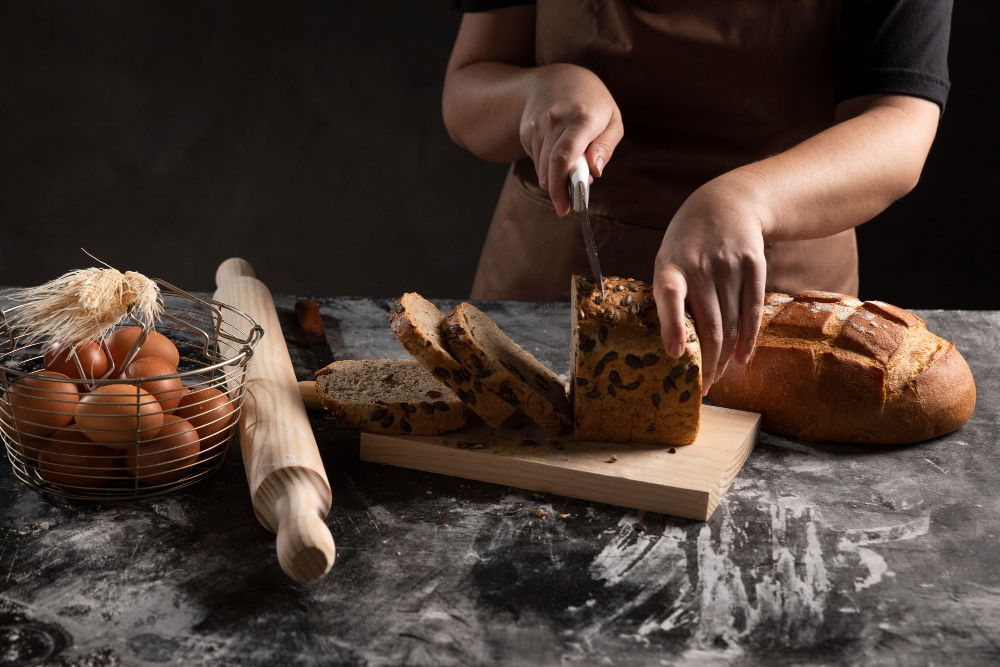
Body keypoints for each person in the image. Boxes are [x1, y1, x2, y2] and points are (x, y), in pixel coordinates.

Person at [442, 0, 951, 393]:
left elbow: (900, 121)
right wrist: (536, 90)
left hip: (777, 306)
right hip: (549, 289)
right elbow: (467, 89)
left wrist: (747, 199)